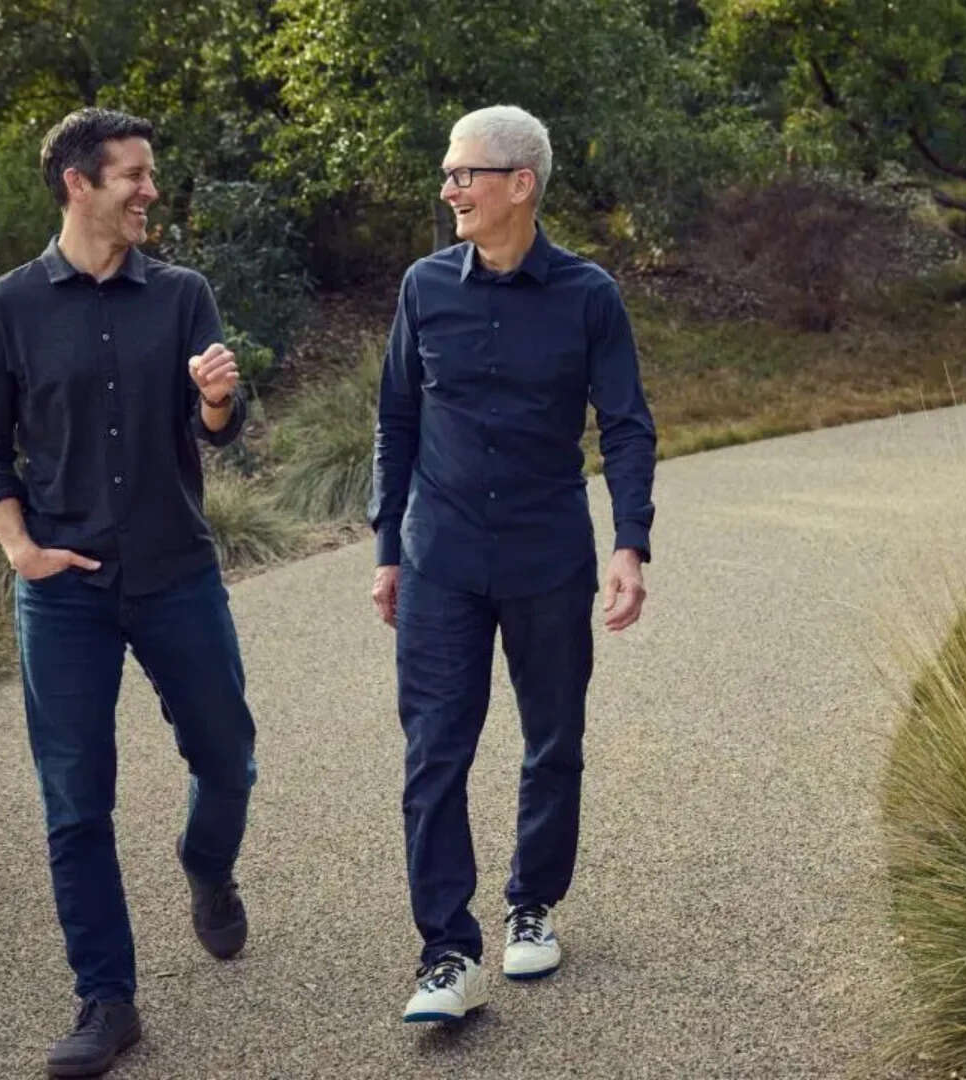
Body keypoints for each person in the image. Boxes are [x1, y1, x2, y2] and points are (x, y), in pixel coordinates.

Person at [0, 107, 258, 1078]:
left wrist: (216, 396)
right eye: (133, 174)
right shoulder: (3, 309)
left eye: (151, 173)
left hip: (175, 572)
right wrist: (20, 549)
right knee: (76, 803)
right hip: (65, 592)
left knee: (228, 758)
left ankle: (207, 867)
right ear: (77, 183)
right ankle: (107, 1000)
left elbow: (218, 425)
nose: (150, 191)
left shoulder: (182, 296)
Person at [368, 105, 657, 1023]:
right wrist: (387, 552)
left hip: (545, 556)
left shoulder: (588, 296)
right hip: (440, 558)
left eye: (464, 174)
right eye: (447, 175)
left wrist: (629, 542)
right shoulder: (424, 287)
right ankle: (446, 954)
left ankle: (532, 904)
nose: (448, 189)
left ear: (519, 184)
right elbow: (397, 421)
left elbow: (626, 426)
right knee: (434, 754)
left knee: (552, 740)